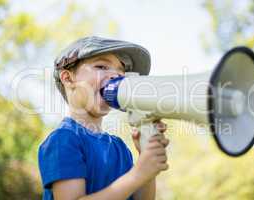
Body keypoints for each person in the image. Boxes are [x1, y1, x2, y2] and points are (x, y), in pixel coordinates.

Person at [38, 36, 170, 200]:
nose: (117, 76)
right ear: (68, 78)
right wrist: (137, 174)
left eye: (122, 72)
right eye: (101, 66)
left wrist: (146, 160)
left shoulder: (119, 147)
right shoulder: (63, 140)